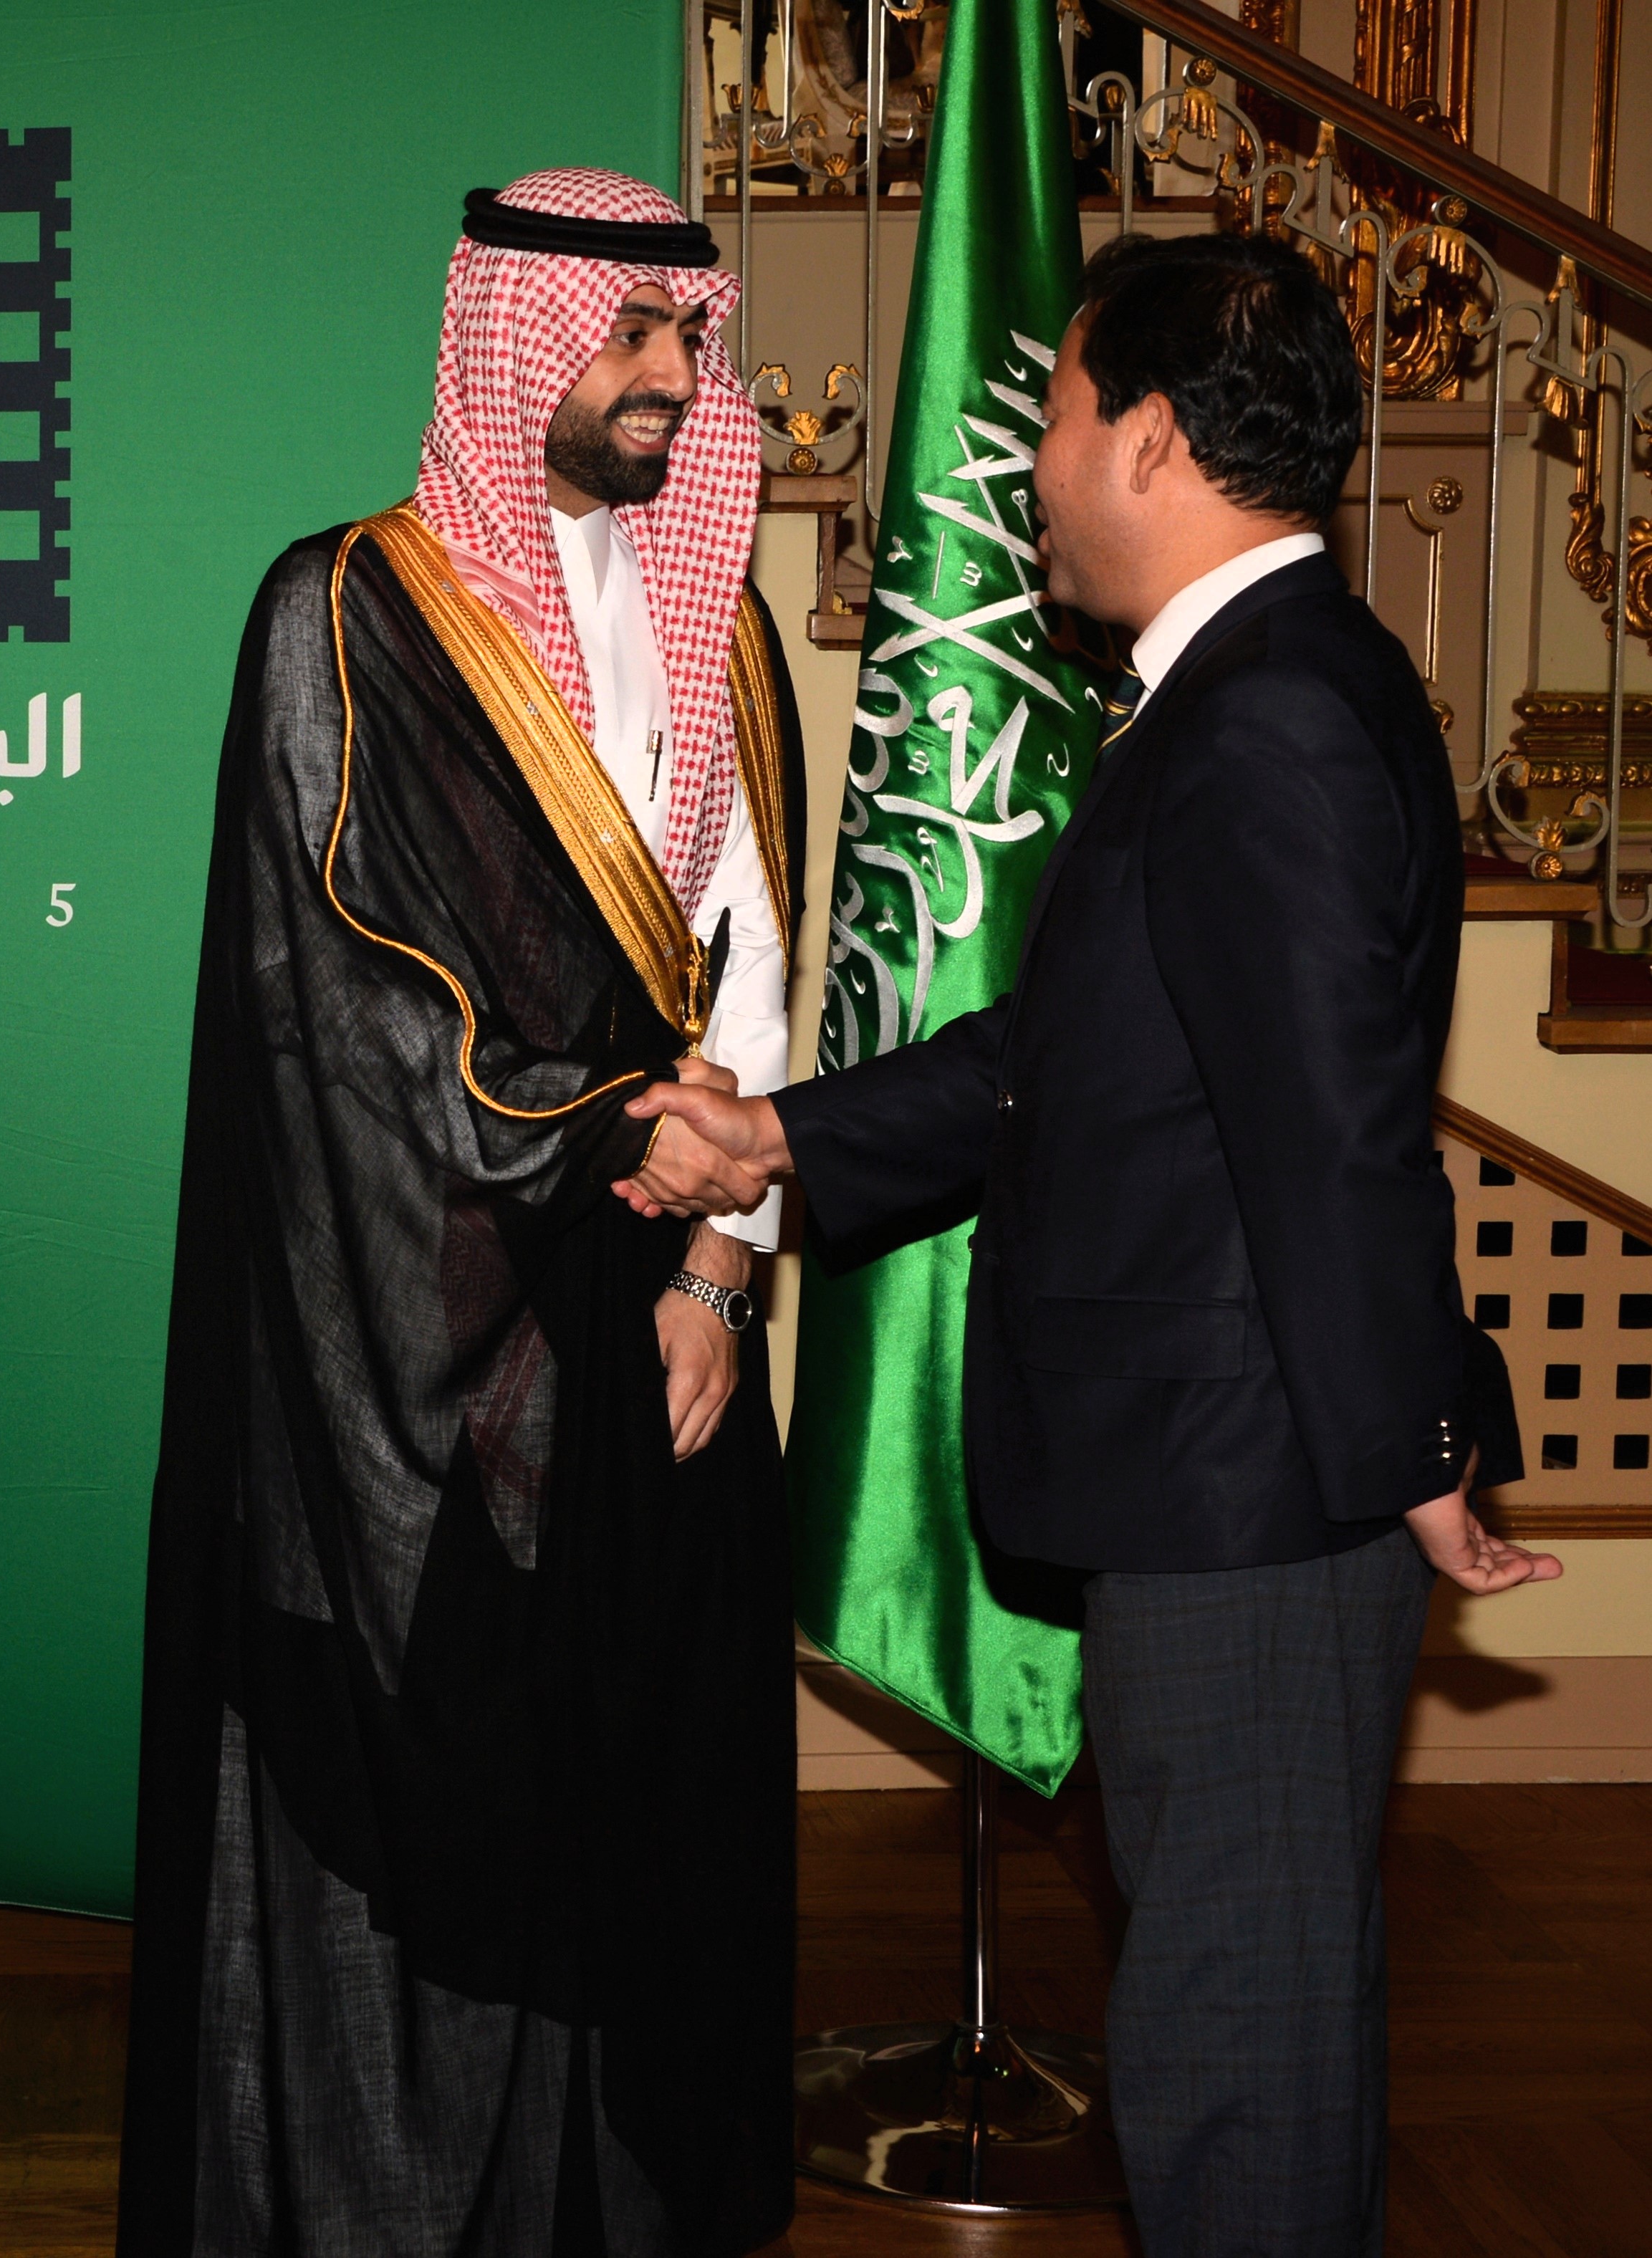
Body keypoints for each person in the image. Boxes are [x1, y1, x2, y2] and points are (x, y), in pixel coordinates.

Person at [624, 231, 1562, 2258]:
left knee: (1239, 2046)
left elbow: (1331, 1140)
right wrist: (779, 1137)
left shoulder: (1270, 717)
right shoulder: (1250, 687)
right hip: (1231, 1487)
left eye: (1050, 416)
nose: (1028, 465)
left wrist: (1409, 1450)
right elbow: (1061, 1062)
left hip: (1256, 1508)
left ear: (1148, 439)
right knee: (1242, 2015)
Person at [119, 169, 805, 2257]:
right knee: (441, 1806)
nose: (671, 378)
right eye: (631, 337)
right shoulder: (345, 613)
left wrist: (720, 1265)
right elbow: (335, 1003)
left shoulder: (719, 617)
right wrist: (625, 1141)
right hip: (420, 1335)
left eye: (688, 339)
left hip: (660, 1300)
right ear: (517, 342)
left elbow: (747, 962)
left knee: (645, 1789)